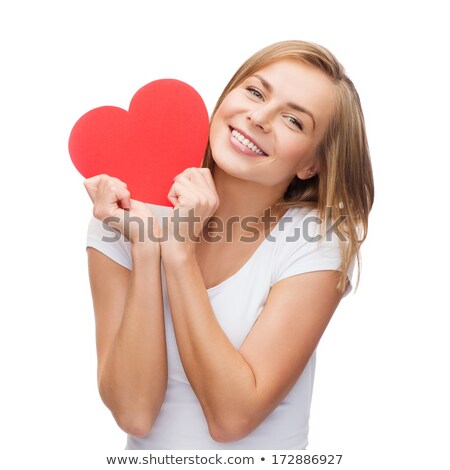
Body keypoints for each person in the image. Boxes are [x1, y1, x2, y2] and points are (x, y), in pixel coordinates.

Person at [84, 40, 374, 450]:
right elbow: (134, 413)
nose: (258, 117)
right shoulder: (125, 211)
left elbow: (232, 417)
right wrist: (147, 251)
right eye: (255, 92)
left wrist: (179, 253)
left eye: (293, 121)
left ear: (311, 164)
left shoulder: (315, 239)